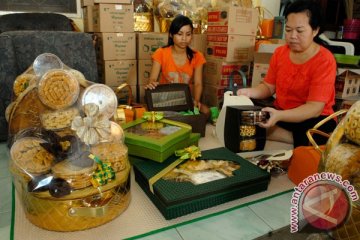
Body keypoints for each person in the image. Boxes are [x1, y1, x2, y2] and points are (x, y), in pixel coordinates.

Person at [237, 0, 337, 147]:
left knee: (317, 136)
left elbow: (314, 108)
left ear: (315, 30)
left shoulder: (325, 60)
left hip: (313, 118)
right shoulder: (280, 53)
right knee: (245, 118)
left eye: (300, 31)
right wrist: (250, 92)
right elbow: (268, 87)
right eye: (288, 30)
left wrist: (279, 116)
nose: (292, 36)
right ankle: (286, 136)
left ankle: (278, 135)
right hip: (282, 113)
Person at [145, 14, 210, 118]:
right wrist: (151, 84)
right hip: (164, 98)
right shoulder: (161, 53)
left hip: (185, 99)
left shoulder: (197, 56)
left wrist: (196, 101)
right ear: (171, 34)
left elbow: (198, 83)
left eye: (188, 34)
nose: (184, 38)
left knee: (206, 112)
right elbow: (153, 78)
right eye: (180, 34)